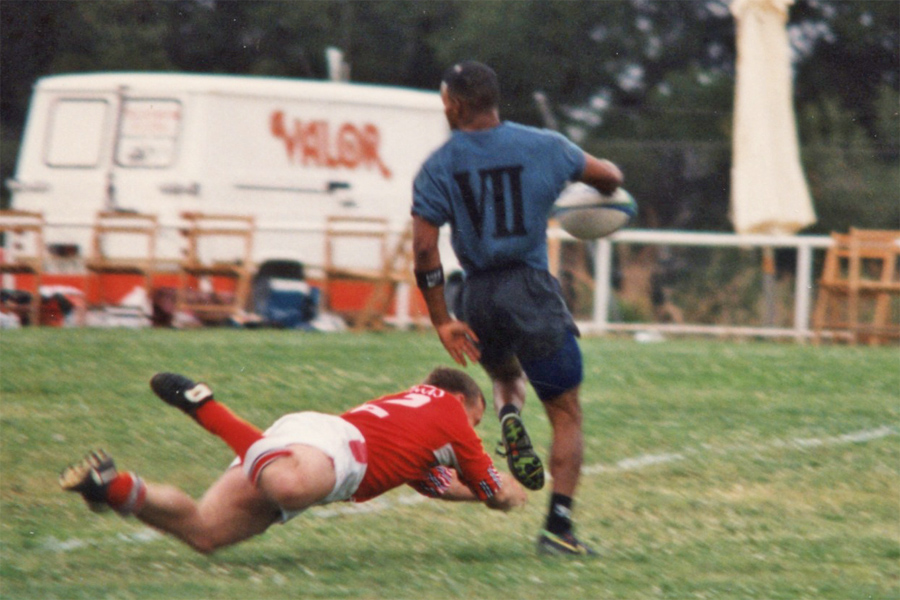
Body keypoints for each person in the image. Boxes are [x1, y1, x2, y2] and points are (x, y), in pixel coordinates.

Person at [411, 61, 624, 555]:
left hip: (477, 294)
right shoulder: (545, 146)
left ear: (457, 104)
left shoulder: (439, 164)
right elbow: (608, 176)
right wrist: (606, 193)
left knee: (506, 374)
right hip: (529, 289)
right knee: (566, 412)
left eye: (445, 100)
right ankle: (559, 529)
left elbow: (425, 250)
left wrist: (443, 318)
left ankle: (508, 412)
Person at [60, 368, 527, 555]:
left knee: (206, 533)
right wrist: (511, 493)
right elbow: (491, 492)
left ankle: (112, 486)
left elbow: (444, 484)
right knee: (286, 487)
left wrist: (485, 488)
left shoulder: (418, 424)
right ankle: (207, 408)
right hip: (332, 450)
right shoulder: (451, 414)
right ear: (463, 400)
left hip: (305, 445)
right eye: (478, 418)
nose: (475, 430)